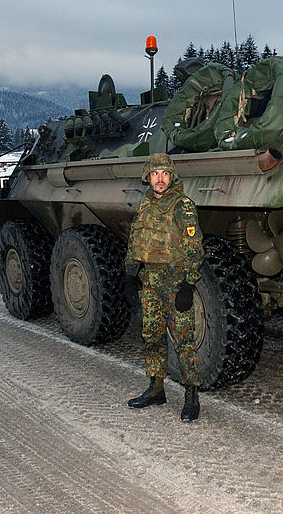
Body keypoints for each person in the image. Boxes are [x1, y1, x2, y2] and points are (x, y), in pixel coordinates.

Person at [124, 153, 205, 422]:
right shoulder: (145, 204)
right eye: (155, 174)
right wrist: (129, 273)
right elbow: (136, 239)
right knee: (152, 335)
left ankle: (192, 395)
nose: (160, 179)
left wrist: (188, 285)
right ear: (148, 176)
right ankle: (156, 388)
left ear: (172, 176)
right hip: (150, 280)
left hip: (176, 279)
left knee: (184, 340)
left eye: (165, 174)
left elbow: (195, 249)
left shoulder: (183, 206)